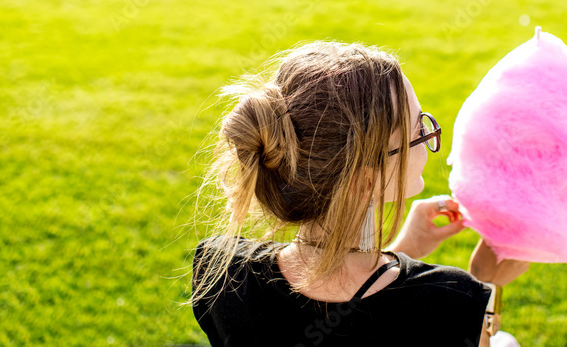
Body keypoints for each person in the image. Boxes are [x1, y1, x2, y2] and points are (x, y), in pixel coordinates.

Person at [187, 40, 529, 346]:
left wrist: (405, 249)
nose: (428, 137)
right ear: (367, 183)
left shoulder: (223, 272)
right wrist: (487, 284)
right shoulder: (451, 301)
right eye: (419, 132)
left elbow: (348, 309)